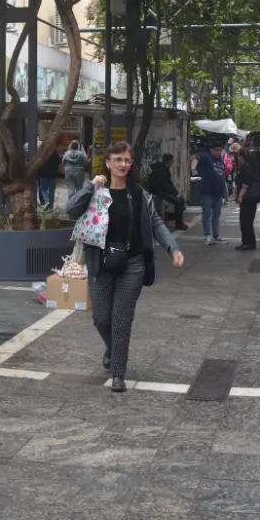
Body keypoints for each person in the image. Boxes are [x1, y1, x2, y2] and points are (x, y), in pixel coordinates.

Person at [67, 139, 183, 392]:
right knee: (101, 319)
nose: (122, 164)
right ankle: (112, 347)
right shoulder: (96, 191)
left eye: (127, 160)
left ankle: (118, 372)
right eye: (117, 159)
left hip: (133, 263)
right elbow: (71, 209)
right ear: (107, 162)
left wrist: (172, 247)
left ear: (131, 164)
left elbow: (156, 224)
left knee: (120, 320)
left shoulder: (139, 194)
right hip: (101, 262)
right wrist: (90, 185)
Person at [235, 145, 260, 251]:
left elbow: (245, 184)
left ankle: (247, 242)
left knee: (245, 220)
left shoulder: (246, 168)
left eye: (238, 157)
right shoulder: (253, 166)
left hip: (247, 197)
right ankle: (250, 241)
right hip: (252, 197)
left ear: (242, 157)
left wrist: (240, 196)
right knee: (248, 220)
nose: (238, 159)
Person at [196, 143, 227, 245]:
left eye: (220, 150)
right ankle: (207, 235)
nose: (219, 152)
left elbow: (222, 174)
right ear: (212, 150)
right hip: (207, 191)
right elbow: (200, 160)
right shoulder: (206, 159)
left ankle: (216, 235)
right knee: (207, 214)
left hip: (218, 192)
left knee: (216, 215)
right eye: (217, 150)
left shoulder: (221, 160)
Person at [148, 153, 187, 228]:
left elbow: (169, 183)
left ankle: (179, 222)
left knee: (180, 201)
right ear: (168, 161)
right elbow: (165, 185)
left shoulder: (164, 169)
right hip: (159, 192)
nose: (172, 163)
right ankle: (178, 224)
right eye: (172, 161)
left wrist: (176, 193)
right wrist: (175, 194)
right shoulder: (160, 170)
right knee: (178, 202)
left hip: (163, 191)